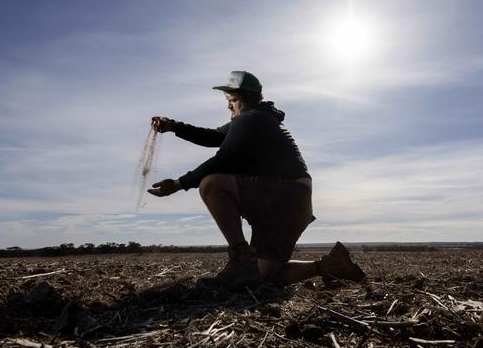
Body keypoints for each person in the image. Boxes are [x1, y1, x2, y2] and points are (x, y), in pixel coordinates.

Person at [148, 71, 365, 289]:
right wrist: (173, 125)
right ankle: (330, 266)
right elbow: (212, 137)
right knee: (265, 275)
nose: (228, 107)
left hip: (283, 196)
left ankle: (241, 257)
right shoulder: (255, 119)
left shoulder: (252, 119)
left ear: (245, 99)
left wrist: (178, 184)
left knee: (212, 184)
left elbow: (223, 159)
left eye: (231, 101)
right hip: (294, 203)